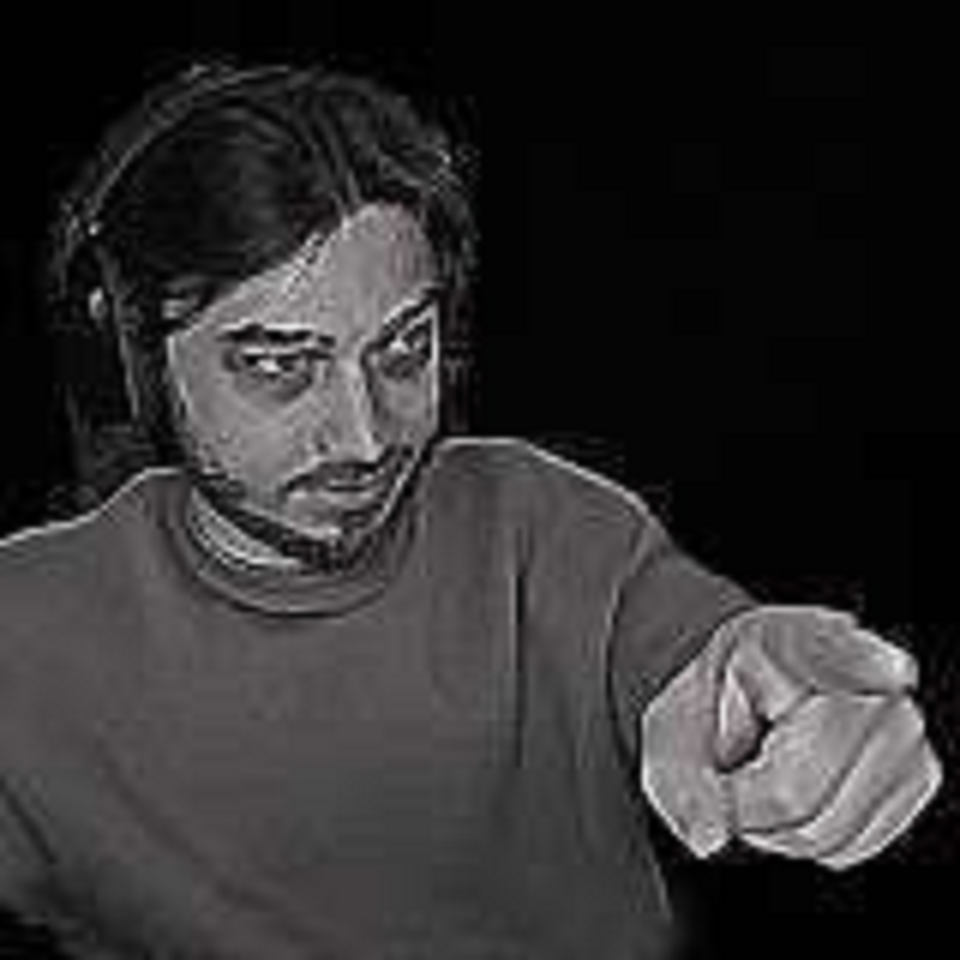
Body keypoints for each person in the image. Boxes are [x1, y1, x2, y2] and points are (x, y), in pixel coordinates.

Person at [0, 59, 942, 960]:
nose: (366, 435)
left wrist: (777, 719)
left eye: (403, 348)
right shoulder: (20, 632)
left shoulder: (547, 523)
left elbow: (709, 672)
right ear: (130, 363)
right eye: (279, 366)